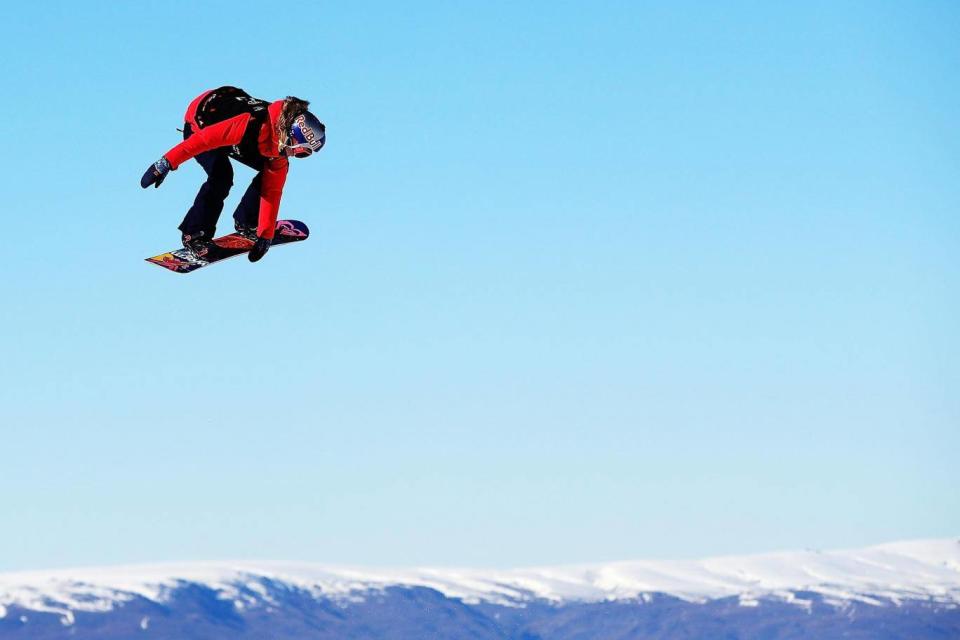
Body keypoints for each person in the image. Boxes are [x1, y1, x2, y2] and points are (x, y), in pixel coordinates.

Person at [140, 86, 326, 262]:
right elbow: (200, 142)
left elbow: (272, 191)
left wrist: (265, 235)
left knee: (271, 171)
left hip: (243, 138)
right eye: (300, 150)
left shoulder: (279, 152)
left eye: (304, 154)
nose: (297, 155)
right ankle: (195, 234)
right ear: (289, 135)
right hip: (201, 124)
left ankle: (248, 221)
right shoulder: (247, 124)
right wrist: (164, 164)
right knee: (221, 176)